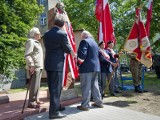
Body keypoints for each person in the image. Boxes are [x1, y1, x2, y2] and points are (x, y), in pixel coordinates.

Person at [43, 14, 71, 119]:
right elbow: (67, 49)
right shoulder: (62, 34)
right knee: (56, 89)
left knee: (52, 88)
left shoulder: (46, 34)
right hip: (57, 65)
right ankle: (53, 113)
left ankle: (56, 107)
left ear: (54, 23)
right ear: (63, 24)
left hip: (49, 64)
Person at [77, 30, 103, 111]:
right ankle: (99, 102)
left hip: (86, 67)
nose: (81, 38)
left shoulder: (84, 41)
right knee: (95, 85)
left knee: (86, 86)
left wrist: (78, 64)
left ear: (84, 36)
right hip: (96, 67)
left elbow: (82, 55)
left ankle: (85, 105)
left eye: (81, 37)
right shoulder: (95, 43)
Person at [25, 27, 44, 108]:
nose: (40, 34)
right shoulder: (31, 41)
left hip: (39, 66)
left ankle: (36, 99)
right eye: (39, 33)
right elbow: (27, 55)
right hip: (34, 66)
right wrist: (31, 65)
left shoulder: (37, 42)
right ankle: (31, 102)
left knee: (37, 84)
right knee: (34, 84)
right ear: (35, 34)